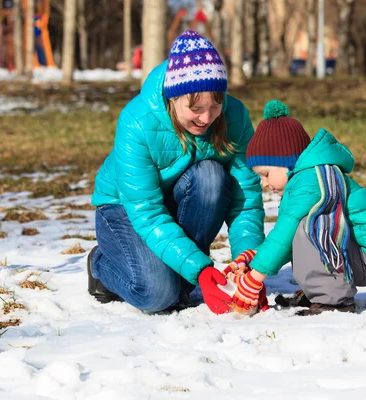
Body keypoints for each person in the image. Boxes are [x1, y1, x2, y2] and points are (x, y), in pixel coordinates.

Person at [88, 30, 266, 315]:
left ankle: (184, 274)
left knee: (211, 176)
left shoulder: (235, 117)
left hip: (179, 200)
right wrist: (202, 270)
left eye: (215, 105)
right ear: (173, 98)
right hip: (125, 208)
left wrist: (252, 266)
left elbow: (246, 199)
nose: (207, 118)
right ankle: (101, 263)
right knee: (157, 295)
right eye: (195, 109)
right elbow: (146, 210)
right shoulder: (137, 122)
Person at [230, 100, 366, 316]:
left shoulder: (311, 181)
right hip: (351, 253)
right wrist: (256, 258)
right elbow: (286, 242)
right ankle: (319, 292)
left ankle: (333, 299)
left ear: (287, 161)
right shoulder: (306, 179)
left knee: (309, 226)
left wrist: (255, 278)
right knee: (303, 228)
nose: (264, 183)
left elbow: (285, 233)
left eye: (265, 174)